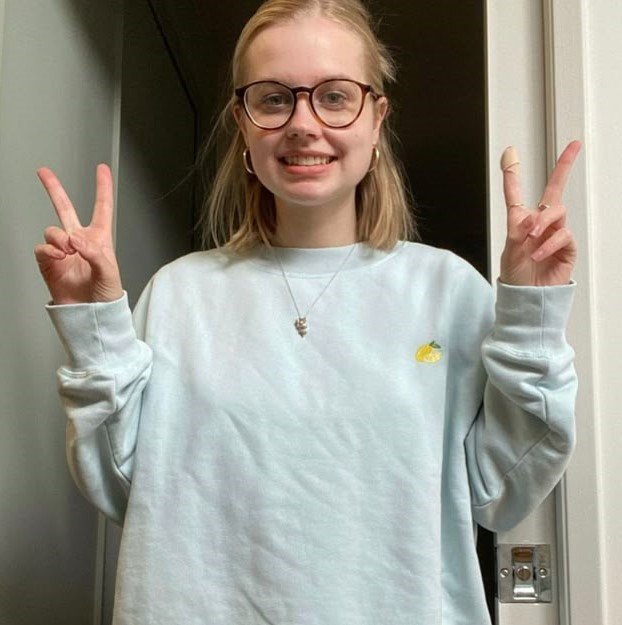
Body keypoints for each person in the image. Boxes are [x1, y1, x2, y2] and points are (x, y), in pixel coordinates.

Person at [35, 1, 580, 623]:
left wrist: (532, 312)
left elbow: (501, 490)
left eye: (335, 96)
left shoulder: (448, 290)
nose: (303, 123)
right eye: (273, 99)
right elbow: (122, 488)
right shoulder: (179, 294)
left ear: (376, 119)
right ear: (242, 123)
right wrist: (95, 324)